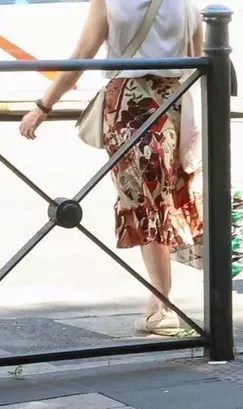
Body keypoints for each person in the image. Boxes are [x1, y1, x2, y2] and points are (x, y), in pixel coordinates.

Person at [18, 0, 203, 335]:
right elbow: (200, 61)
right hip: (175, 105)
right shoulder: (186, 3)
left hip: (129, 107)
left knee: (147, 203)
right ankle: (158, 303)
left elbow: (82, 54)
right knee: (158, 200)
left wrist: (44, 106)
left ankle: (163, 307)